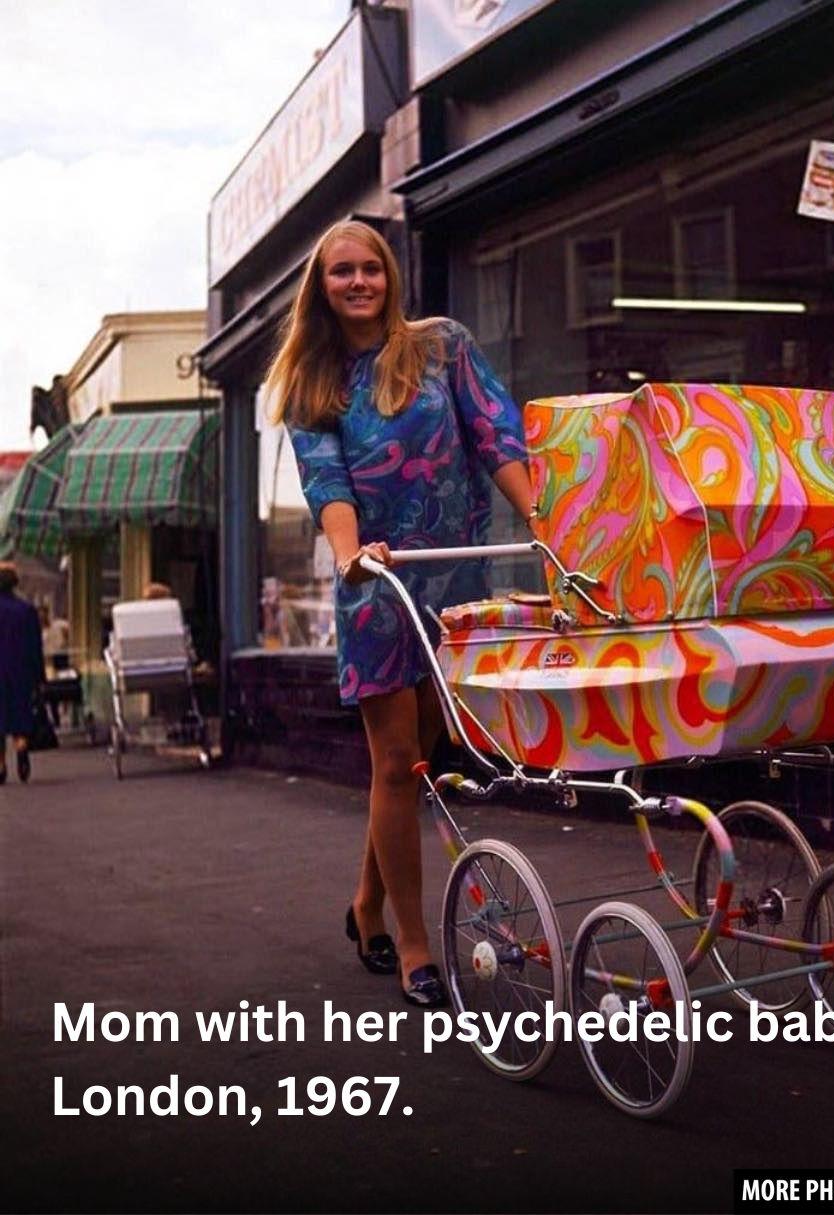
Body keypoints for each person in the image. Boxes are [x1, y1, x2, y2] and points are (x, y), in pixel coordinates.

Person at [267, 220, 532, 1008]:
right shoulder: (313, 382)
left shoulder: (442, 346)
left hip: (455, 580)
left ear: (390, 276)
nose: (358, 281)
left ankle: (365, 902)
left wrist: (542, 521)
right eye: (341, 271)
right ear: (321, 287)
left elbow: (496, 435)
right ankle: (415, 943)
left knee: (420, 753)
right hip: (377, 584)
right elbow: (328, 484)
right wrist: (350, 553)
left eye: (370, 268)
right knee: (395, 763)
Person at [0, 562, 45, 784]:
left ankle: (0, 764)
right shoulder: (27, 610)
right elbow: (35, 646)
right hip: (21, 671)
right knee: (20, 713)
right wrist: (39, 676)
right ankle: (21, 746)